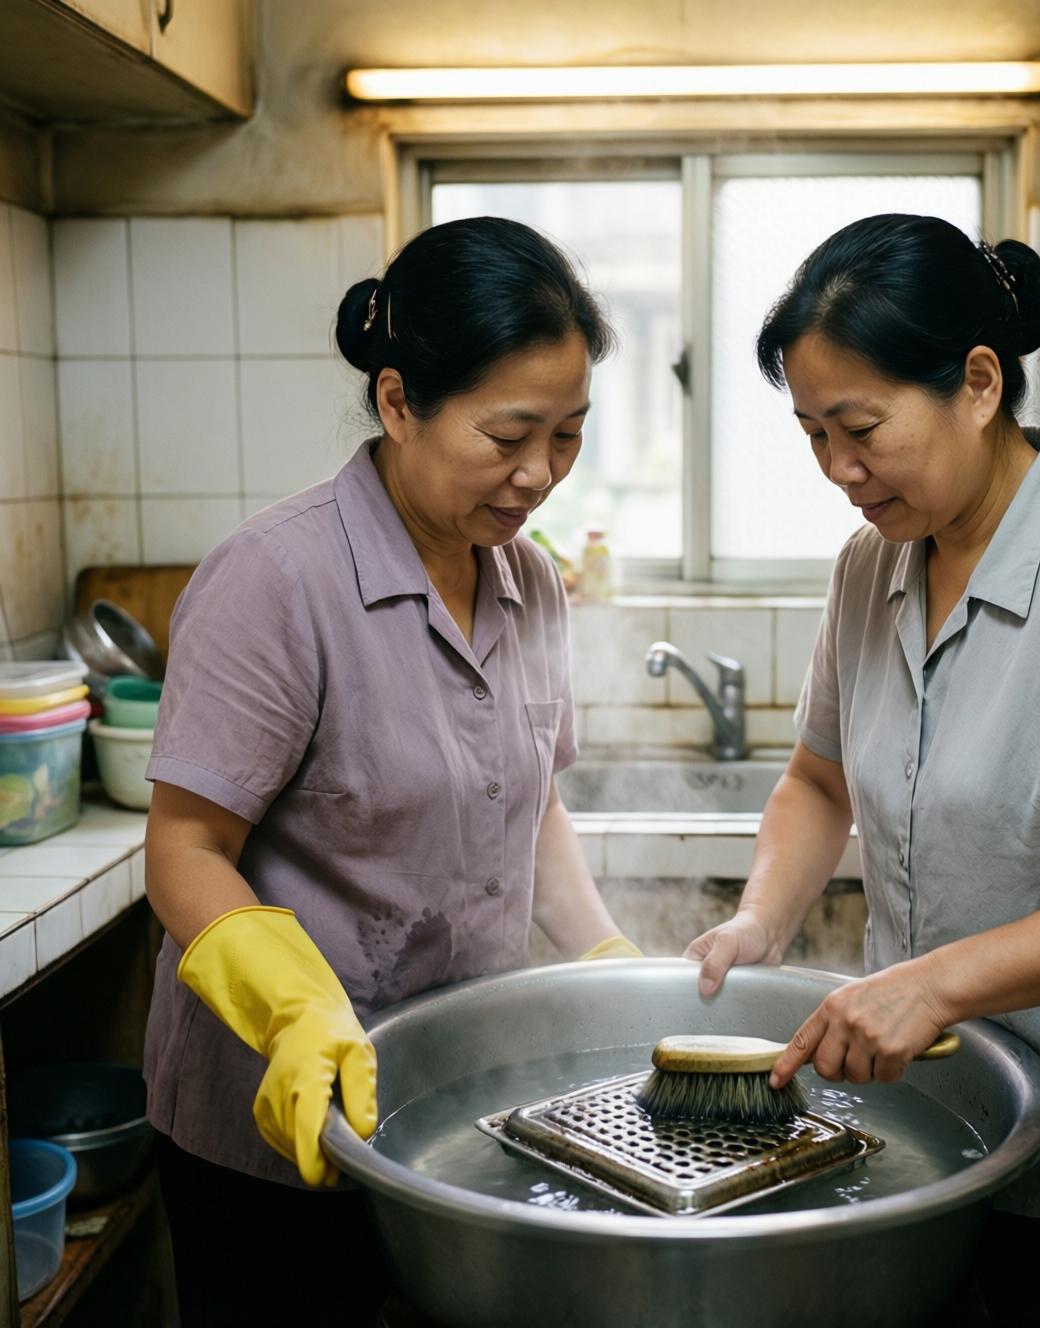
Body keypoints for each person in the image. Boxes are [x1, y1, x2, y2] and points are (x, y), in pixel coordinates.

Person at [685, 214, 1040, 1326]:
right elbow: (817, 781)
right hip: (937, 1127)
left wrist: (935, 982)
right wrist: (762, 917)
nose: (838, 470)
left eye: (861, 428)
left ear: (980, 383)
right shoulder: (870, 567)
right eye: (812, 434)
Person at [142, 216, 641, 1326]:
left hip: (456, 1108)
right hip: (274, 1133)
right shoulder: (276, 579)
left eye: (567, 435)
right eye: (508, 434)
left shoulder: (529, 581)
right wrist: (291, 1007)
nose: (539, 474)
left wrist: (604, 953)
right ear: (400, 401)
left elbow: (531, 806)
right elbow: (184, 847)